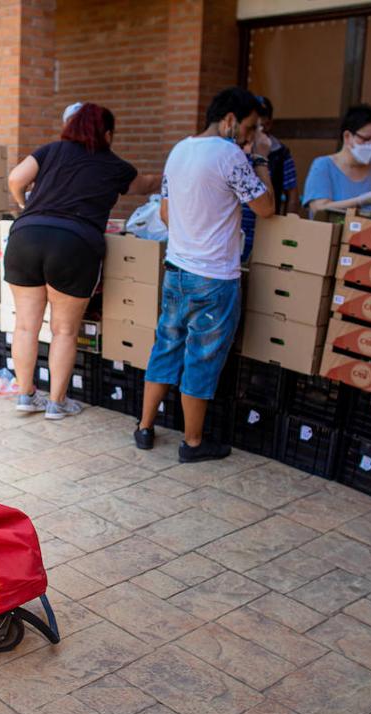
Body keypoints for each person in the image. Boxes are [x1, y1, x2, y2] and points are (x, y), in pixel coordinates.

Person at [135, 87, 274, 462]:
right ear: (229, 120)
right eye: (248, 127)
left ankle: (145, 427)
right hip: (214, 277)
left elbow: (165, 213)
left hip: (176, 270)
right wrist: (260, 155)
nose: (249, 135)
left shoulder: (179, 150)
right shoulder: (231, 155)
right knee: (201, 357)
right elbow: (266, 207)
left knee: (166, 345)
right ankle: (193, 443)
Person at [5, 103, 161, 419]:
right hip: (73, 243)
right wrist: (172, 176)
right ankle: (56, 403)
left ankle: (25, 395)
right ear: (106, 134)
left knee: (25, 326)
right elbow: (143, 185)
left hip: (25, 236)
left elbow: (15, 178)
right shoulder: (113, 165)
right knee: (63, 331)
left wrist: (25, 205)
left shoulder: (50, 151)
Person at [302, 104, 371, 217]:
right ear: (347, 136)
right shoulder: (323, 165)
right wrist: (359, 201)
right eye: (366, 139)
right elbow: (318, 208)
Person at [239, 95, 298, 261]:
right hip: (236, 230)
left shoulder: (280, 153)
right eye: (252, 127)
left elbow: (292, 195)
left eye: (261, 126)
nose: (256, 133)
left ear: (269, 124)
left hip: (265, 229)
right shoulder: (234, 150)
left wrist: (289, 234)